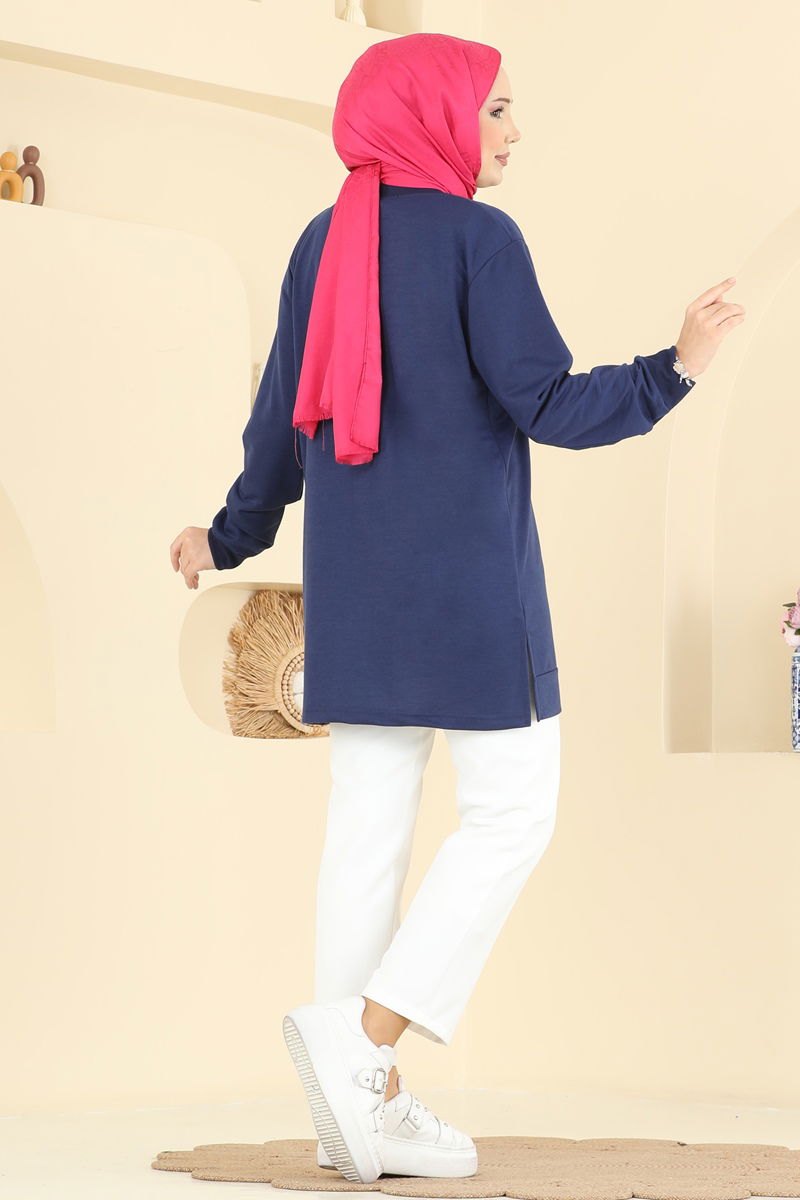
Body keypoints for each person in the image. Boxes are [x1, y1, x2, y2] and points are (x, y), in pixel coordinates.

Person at [169, 32, 745, 1186]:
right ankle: (365, 1049)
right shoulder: (481, 240)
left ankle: (359, 1114)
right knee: (511, 814)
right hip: (471, 595)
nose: (513, 132)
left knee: (364, 837)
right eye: (495, 110)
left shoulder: (321, 242)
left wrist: (226, 534)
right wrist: (673, 367)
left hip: (357, 597)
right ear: (433, 116)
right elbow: (548, 404)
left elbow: (281, 417)